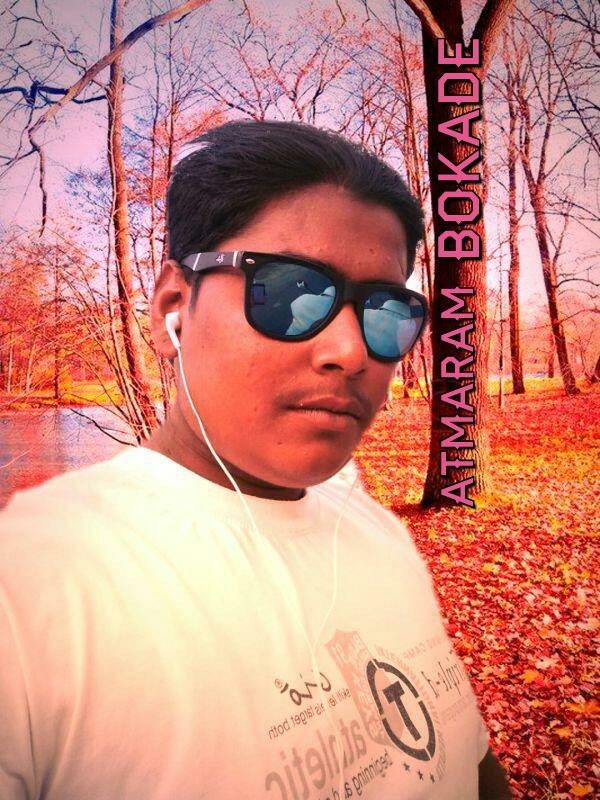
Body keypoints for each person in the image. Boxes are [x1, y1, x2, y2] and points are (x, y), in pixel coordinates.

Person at [0, 120, 511, 799]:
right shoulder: (32, 590)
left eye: (384, 310)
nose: (351, 351)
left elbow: (467, 763)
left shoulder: (378, 535)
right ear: (173, 308)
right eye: (290, 292)